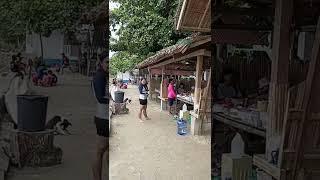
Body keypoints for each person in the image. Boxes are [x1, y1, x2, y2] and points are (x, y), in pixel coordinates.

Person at [92, 51, 108, 180]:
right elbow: (100, 97)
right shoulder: (99, 76)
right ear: (101, 63)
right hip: (102, 118)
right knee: (100, 151)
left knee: (105, 151)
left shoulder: (105, 75)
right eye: (107, 62)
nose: (109, 64)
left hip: (106, 117)